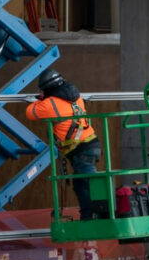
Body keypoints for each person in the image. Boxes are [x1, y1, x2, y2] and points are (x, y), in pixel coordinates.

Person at [26, 68, 102, 219]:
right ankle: (91, 214)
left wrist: (40, 99)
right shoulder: (75, 96)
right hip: (90, 144)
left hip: (81, 149)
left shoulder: (49, 104)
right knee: (82, 183)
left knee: (87, 183)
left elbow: (29, 113)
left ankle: (93, 216)